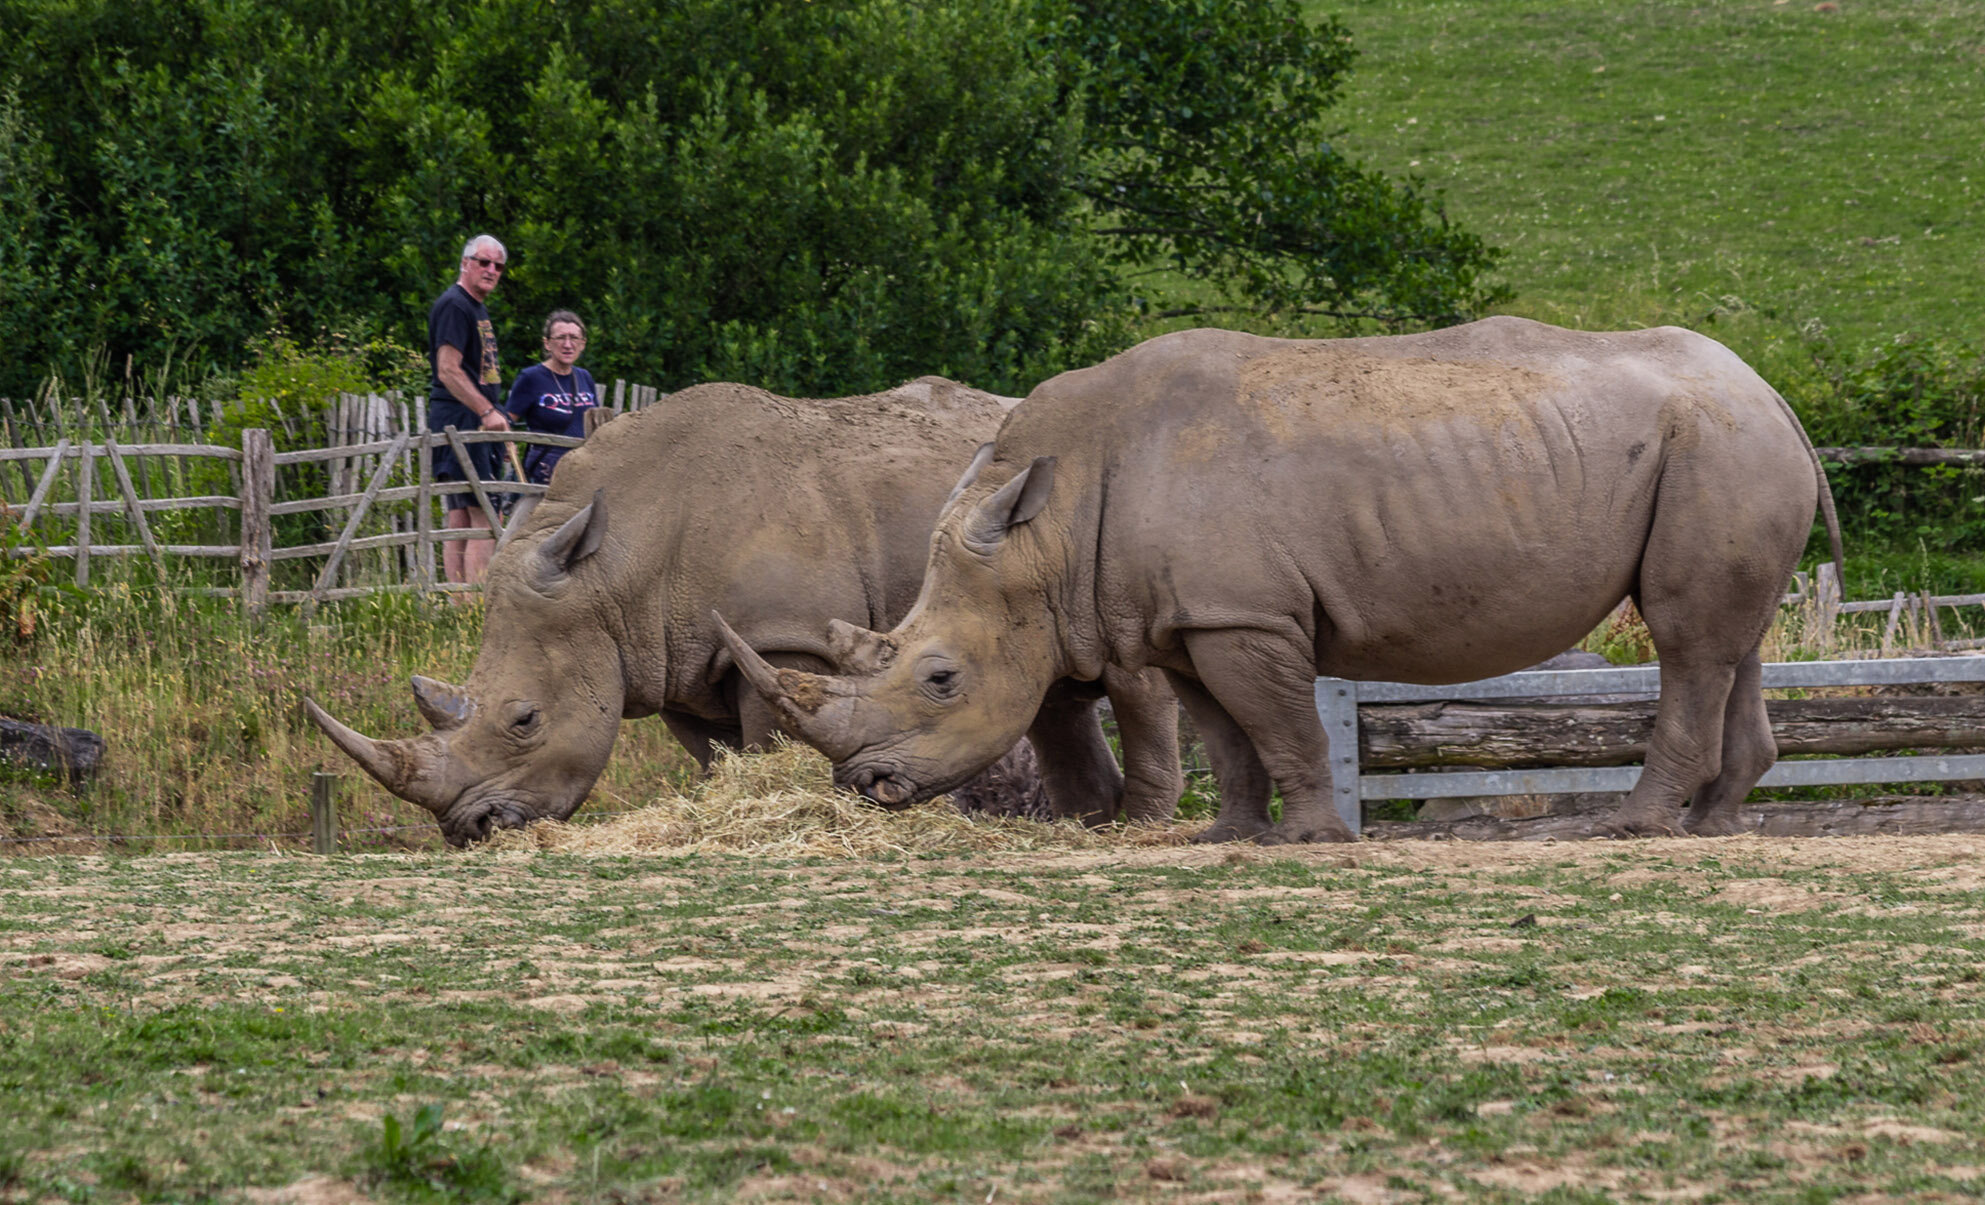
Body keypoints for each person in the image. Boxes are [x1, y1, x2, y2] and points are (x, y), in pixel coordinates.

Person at [426, 234, 511, 590]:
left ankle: (459, 609)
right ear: (465, 263)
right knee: (485, 514)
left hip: (461, 418)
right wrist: (487, 410)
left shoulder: (474, 306)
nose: (491, 270)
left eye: (498, 266)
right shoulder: (455, 305)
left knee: (460, 514)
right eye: (483, 262)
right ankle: (475, 607)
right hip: (463, 419)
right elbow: (448, 369)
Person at [504, 310, 600, 487]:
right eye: (560, 338)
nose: (568, 344)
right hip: (545, 473)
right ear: (547, 343)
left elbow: (596, 425)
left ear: (583, 344)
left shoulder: (584, 377)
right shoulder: (531, 378)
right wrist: (506, 444)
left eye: (574, 338)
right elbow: (506, 421)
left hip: (582, 472)